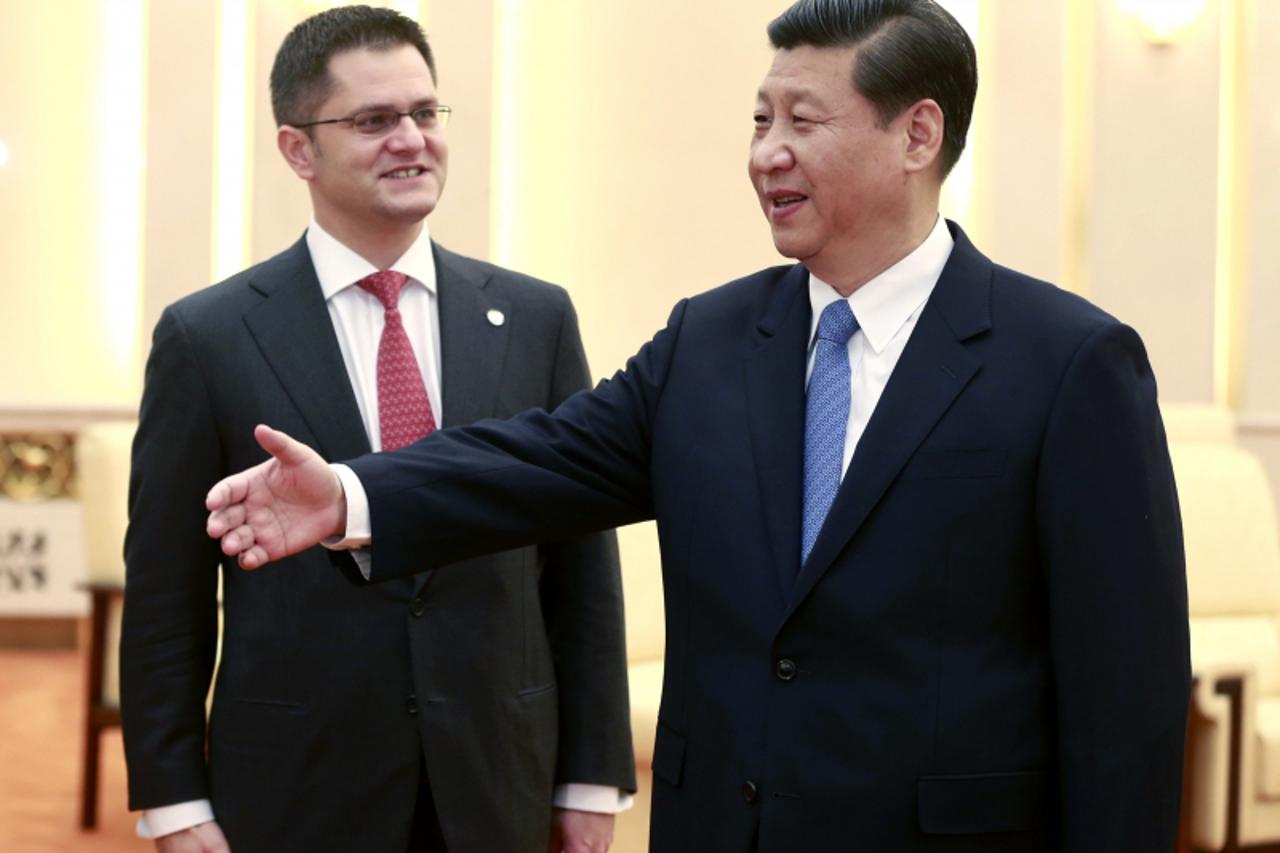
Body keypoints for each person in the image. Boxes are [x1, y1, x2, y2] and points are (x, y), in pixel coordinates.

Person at [206, 0, 1191, 850]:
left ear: (916, 135)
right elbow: (542, 458)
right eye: (759, 118)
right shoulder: (711, 338)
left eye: (801, 121)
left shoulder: (1064, 362)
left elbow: (1125, 700)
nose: (765, 153)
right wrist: (350, 491)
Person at [120, 6, 634, 852]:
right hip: (298, 784)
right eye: (374, 120)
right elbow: (165, 596)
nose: (411, 139)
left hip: (497, 772)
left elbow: (582, 571)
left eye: (425, 113)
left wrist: (589, 773)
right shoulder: (207, 337)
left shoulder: (535, 318)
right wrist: (175, 803)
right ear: (297, 149)